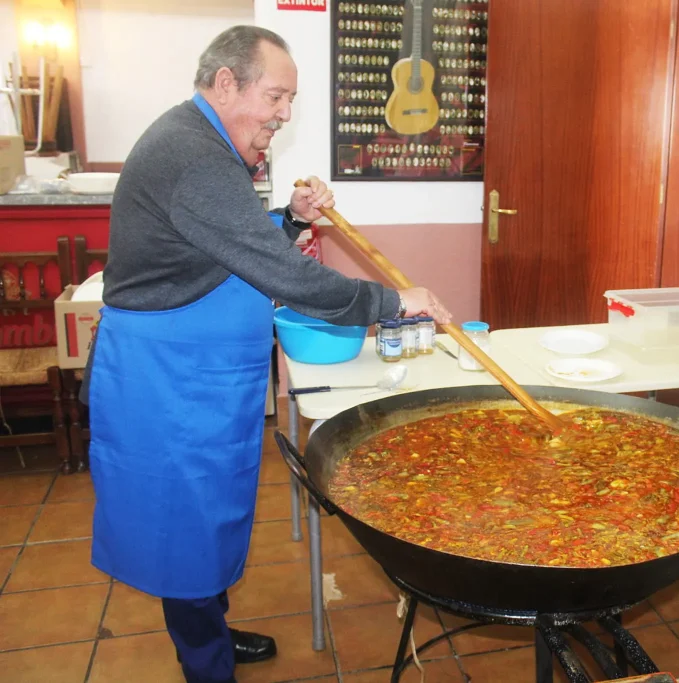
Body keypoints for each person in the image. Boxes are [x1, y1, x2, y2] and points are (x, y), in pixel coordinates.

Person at [83, 25, 451, 683]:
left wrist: (293, 218)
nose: (283, 114)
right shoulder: (193, 156)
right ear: (226, 83)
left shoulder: (201, 145)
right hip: (168, 383)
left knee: (205, 525)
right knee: (184, 532)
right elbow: (289, 277)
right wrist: (395, 301)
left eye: (290, 101)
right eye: (276, 97)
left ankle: (211, 634)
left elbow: (223, 246)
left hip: (196, 380)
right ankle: (207, 664)